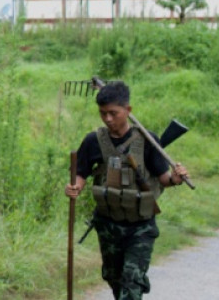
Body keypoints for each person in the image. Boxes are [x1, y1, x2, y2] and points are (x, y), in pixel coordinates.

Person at [64, 80, 189, 300]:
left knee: (132, 286)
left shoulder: (147, 140)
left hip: (140, 228)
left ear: (128, 110)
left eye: (114, 113)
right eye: (103, 114)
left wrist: (176, 178)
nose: (108, 119)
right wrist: (75, 186)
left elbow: (163, 179)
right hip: (108, 226)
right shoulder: (94, 141)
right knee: (115, 282)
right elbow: (81, 173)